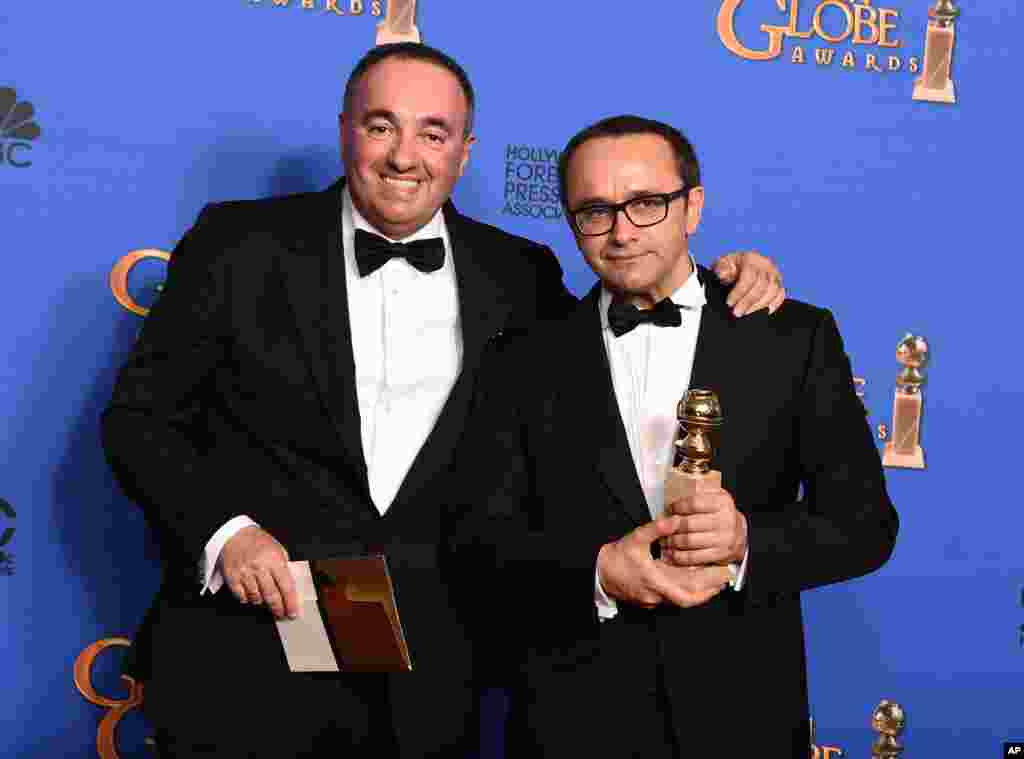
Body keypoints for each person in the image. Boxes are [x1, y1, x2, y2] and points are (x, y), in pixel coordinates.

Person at [101, 44, 785, 758]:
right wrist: (225, 533)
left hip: (430, 674)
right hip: (251, 653)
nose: (405, 156)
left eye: (433, 133)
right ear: (345, 131)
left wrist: (725, 278)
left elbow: (626, 334)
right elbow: (139, 420)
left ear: (465, 152)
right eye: (380, 126)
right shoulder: (236, 244)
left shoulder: (521, 274)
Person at [453, 115, 899, 758]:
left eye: (646, 204)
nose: (622, 231)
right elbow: (477, 543)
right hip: (570, 721)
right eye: (595, 210)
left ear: (692, 207)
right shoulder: (521, 358)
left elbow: (865, 525)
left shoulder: (791, 338)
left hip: (743, 718)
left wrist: (749, 541)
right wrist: (598, 572)